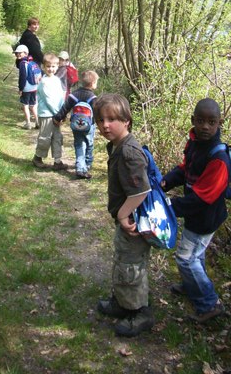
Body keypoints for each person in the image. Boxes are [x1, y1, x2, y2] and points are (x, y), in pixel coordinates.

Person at [161, 98, 230, 323]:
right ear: (193, 121)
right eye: (200, 121)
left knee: (185, 259)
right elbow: (184, 169)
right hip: (195, 214)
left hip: (205, 217)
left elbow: (202, 198)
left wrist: (168, 207)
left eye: (211, 122)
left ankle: (209, 303)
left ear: (220, 123)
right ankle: (192, 285)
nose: (205, 127)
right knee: (194, 255)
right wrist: (166, 183)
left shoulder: (218, 158)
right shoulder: (195, 144)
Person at [93, 93, 155, 338]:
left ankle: (141, 313)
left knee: (132, 267)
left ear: (127, 120)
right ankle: (122, 303)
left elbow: (141, 190)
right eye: (100, 120)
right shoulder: (117, 145)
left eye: (112, 119)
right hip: (128, 220)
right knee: (123, 262)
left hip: (134, 222)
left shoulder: (129, 152)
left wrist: (122, 215)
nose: (105, 125)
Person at [53, 70, 99, 179]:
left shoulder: (74, 95)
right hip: (89, 126)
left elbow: (65, 108)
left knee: (79, 144)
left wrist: (57, 118)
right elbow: (98, 113)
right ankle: (86, 165)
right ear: (93, 83)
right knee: (89, 144)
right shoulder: (93, 98)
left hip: (76, 125)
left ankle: (80, 167)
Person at [32, 52, 67, 171]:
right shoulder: (44, 82)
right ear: (43, 67)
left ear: (57, 67)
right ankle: (38, 157)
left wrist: (63, 113)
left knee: (57, 137)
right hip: (47, 114)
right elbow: (48, 100)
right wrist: (58, 115)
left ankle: (57, 161)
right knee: (45, 137)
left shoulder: (57, 80)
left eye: (53, 66)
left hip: (57, 114)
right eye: (48, 66)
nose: (51, 69)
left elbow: (60, 97)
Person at [15, 44, 40, 130]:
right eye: (16, 53)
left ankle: (28, 123)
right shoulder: (33, 62)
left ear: (25, 53)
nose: (18, 55)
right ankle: (37, 122)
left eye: (19, 53)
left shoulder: (23, 63)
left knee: (25, 105)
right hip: (34, 87)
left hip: (26, 88)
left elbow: (22, 77)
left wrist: (20, 88)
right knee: (33, 106)